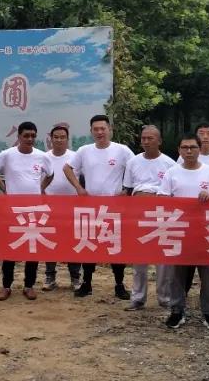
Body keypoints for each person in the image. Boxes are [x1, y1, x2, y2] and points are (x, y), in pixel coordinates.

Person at [62, 114, 134, 299]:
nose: (100, 132)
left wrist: (127, 190)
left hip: (115, 208)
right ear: (91, 131)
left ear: (110, 129)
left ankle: (119, 285)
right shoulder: (84, 151)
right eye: (96, 129)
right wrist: (79, 188)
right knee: (89, 245)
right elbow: (67, 168)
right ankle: (86, 284)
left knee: (115, 247)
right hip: (90, 207)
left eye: (103, 128)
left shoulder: (122, 150)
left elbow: (135, 168)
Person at [159, 133, 209, 331]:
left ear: (199, 149)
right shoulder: (172, 173)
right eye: (185, 148)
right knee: (177, 275)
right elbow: (162, 198)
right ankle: (177, 311)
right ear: (179, 150)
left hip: (206, 232)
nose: (189, 151)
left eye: (193, 147)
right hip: (180, 231)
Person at [0, 121, 52, 301]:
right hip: (12, 210)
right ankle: (6, 286)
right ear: (19, 137)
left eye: (33, 136)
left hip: (34, 210)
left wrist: (41, 188)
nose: (29, 139)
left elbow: (51, 174)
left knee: (32, 248)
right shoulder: (7, 155)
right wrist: (4, 189)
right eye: (26, 136)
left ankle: (29, 285)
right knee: (10, 248)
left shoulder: (41, 156)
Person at [122, 125, 175, 311]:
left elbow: (173, 192)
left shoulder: (170, 164)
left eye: (150, 138)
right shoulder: (133, 162)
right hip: (138, 214)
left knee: (163, 259)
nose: (146, 141)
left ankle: (165, 297)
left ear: (159, 141)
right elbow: (128, 189)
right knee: (139, 257)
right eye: (143, 138)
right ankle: (138, 297)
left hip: (161, 215)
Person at [39, 124, 80, 291]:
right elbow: (39, 179)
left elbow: (83, 179)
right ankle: (50, 277)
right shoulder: (44, 157)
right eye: (56, 137)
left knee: (73, 242)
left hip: (72, 207)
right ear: (51, 139)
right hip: (49, 207)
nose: (59, 140)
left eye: (62, 137)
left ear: (67, 139)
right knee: (50, 242)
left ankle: (75, 278)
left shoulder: (75, 157)